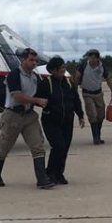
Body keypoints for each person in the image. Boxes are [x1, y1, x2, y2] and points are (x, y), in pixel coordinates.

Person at [0, 48, 54, 189]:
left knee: (37, 146)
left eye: (36, 61)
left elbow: (43, 91)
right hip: (13, 115)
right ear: (23, 60)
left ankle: (42, 179)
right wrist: (36, 100)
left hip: (29, 116)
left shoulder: (35, 76)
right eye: (31, 60)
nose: (34, 63)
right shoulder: (14, 75)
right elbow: (17, 96)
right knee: (4, 147)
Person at [36, 56, 84, 185]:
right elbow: (37, 99)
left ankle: (59, 173)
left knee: (65, 148)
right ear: (53, 70)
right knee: (58, 146)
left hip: (67, 121)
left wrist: (80, 115)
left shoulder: (69, 83)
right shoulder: (46, 84)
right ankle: (50, 173)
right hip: (51, 121)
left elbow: (75, 100)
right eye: (61, 68)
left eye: (64, 67)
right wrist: (42, 103)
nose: (63, 70)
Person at [75, 48, 112, 144]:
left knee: (101, 115)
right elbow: (77, 77)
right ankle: (95, 137)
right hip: (87, 93)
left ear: (98, 58)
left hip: (98, 93)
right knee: (92, 114)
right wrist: (74, 90)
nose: (91, 60)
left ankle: (98, 135)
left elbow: (108, 78)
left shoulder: (102, 67)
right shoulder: (83, 65)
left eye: (93, 58)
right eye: (90, 58)